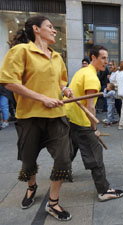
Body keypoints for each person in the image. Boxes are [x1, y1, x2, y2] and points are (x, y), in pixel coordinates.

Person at [0, 15, 73, 221]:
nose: (54, 30)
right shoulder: (21, 51)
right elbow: (9, 82)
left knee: (63, 158)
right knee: (28, 160)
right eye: (49, 27)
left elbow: (60, 82)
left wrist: (65, 90)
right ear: (36, 29)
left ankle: (53, 202)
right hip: (29, 117)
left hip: (57, 116)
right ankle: (31, 187)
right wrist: (42, 98)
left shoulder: (57, 57)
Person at [65, 45, 123, 202]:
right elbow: (90, 106)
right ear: (93, 58)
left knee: (72, 146)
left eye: (107, 58)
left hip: (68, 116)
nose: (106, 61)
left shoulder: (82, 71)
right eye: (103, 58)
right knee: (95, 151)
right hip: (79, 119)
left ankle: (62, 171)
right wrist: (93, 128)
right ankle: (103, 190)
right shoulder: (91, 76)